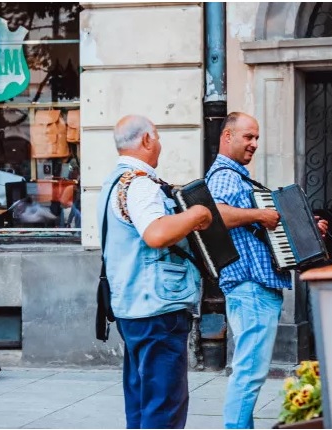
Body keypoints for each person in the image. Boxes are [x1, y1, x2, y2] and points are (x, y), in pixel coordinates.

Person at [205, 112, 328, 429]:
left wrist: (309, 231)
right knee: (249, 373)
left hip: (255, 288)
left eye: (256, 138)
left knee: (251, 372)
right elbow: (213, 214)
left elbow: (268, 229)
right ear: (228, 136)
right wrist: (260, 214)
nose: (254, 144)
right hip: (250, 287)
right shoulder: (223, 176)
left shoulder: (239, 178)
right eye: (248, 137)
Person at [97, 114, 212, 429]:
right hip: (156, 308)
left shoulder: (112, 184)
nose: (159, 144)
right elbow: (156, 234)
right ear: (146, 140)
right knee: (164, 407)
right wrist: (197, 214)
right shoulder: (139, 184)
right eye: (158, 137)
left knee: (141, 403)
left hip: (131, 306)